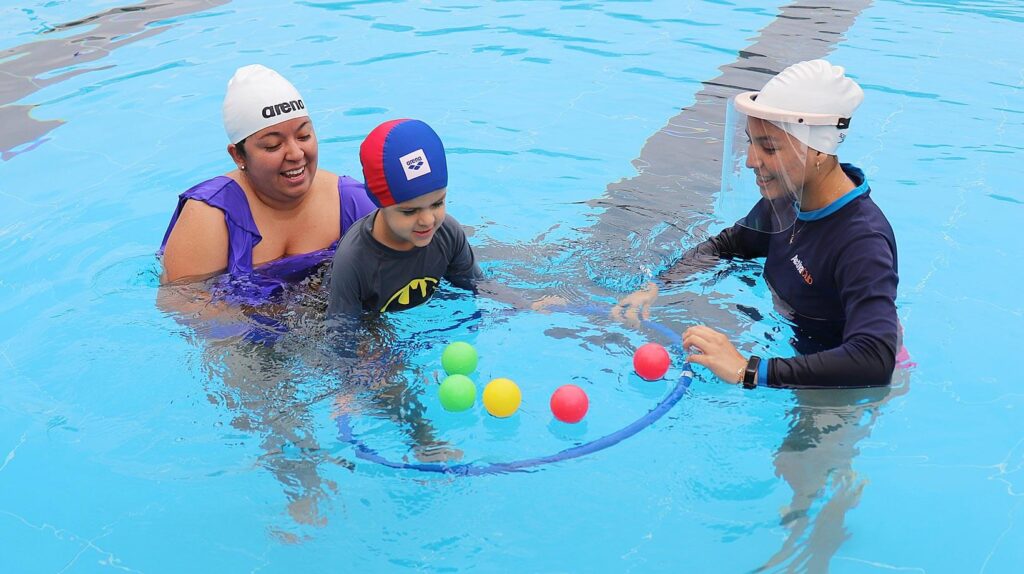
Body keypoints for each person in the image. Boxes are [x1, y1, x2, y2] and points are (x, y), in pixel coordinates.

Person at [614, 59, 899, 389]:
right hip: (793, 342)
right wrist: (658, 286)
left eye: (770, 148)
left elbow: (874, 359)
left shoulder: (861, 241)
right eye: (751, 142)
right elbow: (728, 245)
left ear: (819, 151)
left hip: (839, 385)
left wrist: (748, 370)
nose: (751, 161)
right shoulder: (789, 199)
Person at [159, 64, 376, 302]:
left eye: (303, 136)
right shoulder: (209, 215)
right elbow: (181, 302)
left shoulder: (352, 202)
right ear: (238, 156)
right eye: (273, 145)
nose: (296, 154)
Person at [327, 118, 483, 317]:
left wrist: (517, 304)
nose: (428, 220)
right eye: (410, 211)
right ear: (378, 202)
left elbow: (478, 286)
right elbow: (341, 328)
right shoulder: (354, 261)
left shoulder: (448, 233)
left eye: (437, 203)